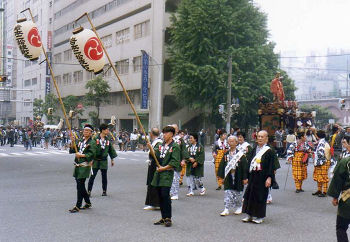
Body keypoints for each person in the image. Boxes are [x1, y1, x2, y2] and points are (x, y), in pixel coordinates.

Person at [242, 130, 276, 224]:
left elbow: (271, 166)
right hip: (253, 175)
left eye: (262, 137)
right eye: (259, 137)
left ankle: (259, 216)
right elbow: (249, 163)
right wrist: (246, 176)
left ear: (266, 138)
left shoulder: (269, 151)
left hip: (263, 176)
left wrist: (269, 178)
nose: (260, 138)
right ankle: (249, 214)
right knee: (250, 195)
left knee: (260, 196)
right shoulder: (254, 149)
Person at [152, 126, 180, 227]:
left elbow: (174, 162)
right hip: (158, 173)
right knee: (159, 195)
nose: (164, 135)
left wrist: (163, 168)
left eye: (166, 133)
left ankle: (168, 218)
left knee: (165, 195)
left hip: (167, 173)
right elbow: (155, 155)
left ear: (172, 134)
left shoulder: (175, 146)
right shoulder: (160, 145)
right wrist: (151, 149)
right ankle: (163, 217)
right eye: (163, 133)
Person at [218, 136, 248, 216]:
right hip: (229, 175)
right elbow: (222, 165)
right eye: (229, 141)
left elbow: (245, 166)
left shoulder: (241, 154)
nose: (230, 143)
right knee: (227, 191)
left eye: (232, 141)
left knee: (238, 192)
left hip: (238, 174)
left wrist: (245, 177)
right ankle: (226, 208)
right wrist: (221, 176)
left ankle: (239, 207)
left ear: (236, 142)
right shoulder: (226, 154)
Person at [68, 124, 94, 213]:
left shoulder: (92, 142)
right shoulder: (80, 141)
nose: (85, 132)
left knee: (80, 185)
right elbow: (73, 151)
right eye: (84, 130)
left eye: (87, 131)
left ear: (91, 133)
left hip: (84, 166)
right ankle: (88, 202)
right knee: (80, 185)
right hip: (77, 165)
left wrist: (82, 155)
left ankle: (78, 205)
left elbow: (92, 154)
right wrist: (72, 142)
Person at [327, 142, 350, 242]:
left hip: (348, 198)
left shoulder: (345, 161)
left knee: (341, 227)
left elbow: (337, 180)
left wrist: (335, 196)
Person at [87, 123, 117, 197]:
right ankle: (89, 191)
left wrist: (112, 159)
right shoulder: (95, 138)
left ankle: (104, 191)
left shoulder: (107, 139)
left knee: (104, 176)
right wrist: (90, 159)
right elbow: (92, 149)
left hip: (104, 161)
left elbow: (110, 149)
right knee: (92, 176)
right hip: (95, 160)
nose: (108, 131)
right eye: (107, 129)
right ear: (103, 130)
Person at [144, 128, 162, 210]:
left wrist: (150, 147)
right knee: (151, 183)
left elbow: (155, 154)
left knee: (153, 183)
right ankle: (153, 202)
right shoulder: (154, 142)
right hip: (152, 165)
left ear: (152, 134)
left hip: (155, 166)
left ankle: (154, 203)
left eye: (150, 133)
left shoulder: (159, 143)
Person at [170, 125, 189, 200]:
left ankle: (175, 193)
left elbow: (184, 150)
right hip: (169, 161)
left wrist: (183, 160)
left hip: (177, 161)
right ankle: (170, 192)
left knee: (176, 178)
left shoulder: (180, 139)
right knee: (169, 178)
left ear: (177, 130)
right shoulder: (169, 138)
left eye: (174, 129)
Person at [312, 130, 331, 197]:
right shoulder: (323, 141)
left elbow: (320, 153)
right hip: (324, 161)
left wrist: (313, 153)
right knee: (319, 176)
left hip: (322, 162)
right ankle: (320, 190)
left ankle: (324, 192)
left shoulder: (321, 143)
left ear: (317, 136)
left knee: (323, 177)